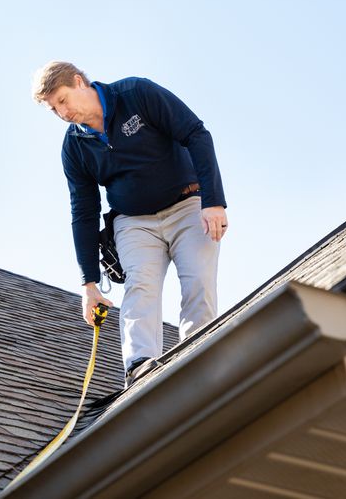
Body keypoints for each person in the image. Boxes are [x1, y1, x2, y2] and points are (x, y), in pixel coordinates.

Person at [32, 62, 228, 385]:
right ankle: (139, 367)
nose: (62, 112)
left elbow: (196, 133)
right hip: (133, 223)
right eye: (54, 109)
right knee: (141, 285)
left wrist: (214, 202)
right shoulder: (74, 147)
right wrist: (88, 284)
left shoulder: (135, 94)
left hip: (188, 206)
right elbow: (83, 210)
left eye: (63, 100)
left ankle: (199, 351)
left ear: (79, 82)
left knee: (199, 279)